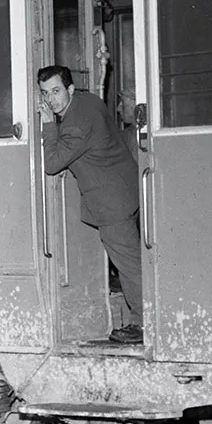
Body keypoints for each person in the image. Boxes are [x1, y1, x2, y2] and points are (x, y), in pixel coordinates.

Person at [37, 65, 143, 343]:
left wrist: (49, 124)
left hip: (112, 202)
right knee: (129, 259)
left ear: (70, 89)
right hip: (127, 188)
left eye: (56, 91)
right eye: (45, 94)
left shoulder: (74, 125)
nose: (51, 100)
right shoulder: (89, 101)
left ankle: (145, 323)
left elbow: (52, 163)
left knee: (129, 264)